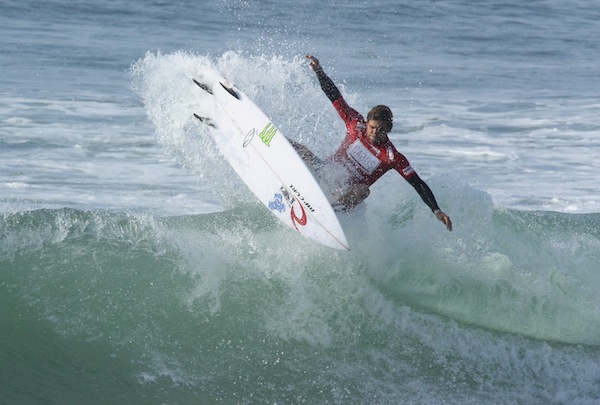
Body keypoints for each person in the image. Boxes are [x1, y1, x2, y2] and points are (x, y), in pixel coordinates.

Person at [293, 54, 452, 231]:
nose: (375, 132)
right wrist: (319, 72)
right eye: (372, 127)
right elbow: (334, 96)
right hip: (325, 173)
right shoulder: (355, 124)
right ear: (367, 123)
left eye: (381, 129)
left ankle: (329, 214)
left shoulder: (391, 157)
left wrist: (436, 210)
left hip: (345, 194)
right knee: (301, 150)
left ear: (388, 129)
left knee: (363, 190)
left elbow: (418, 183)